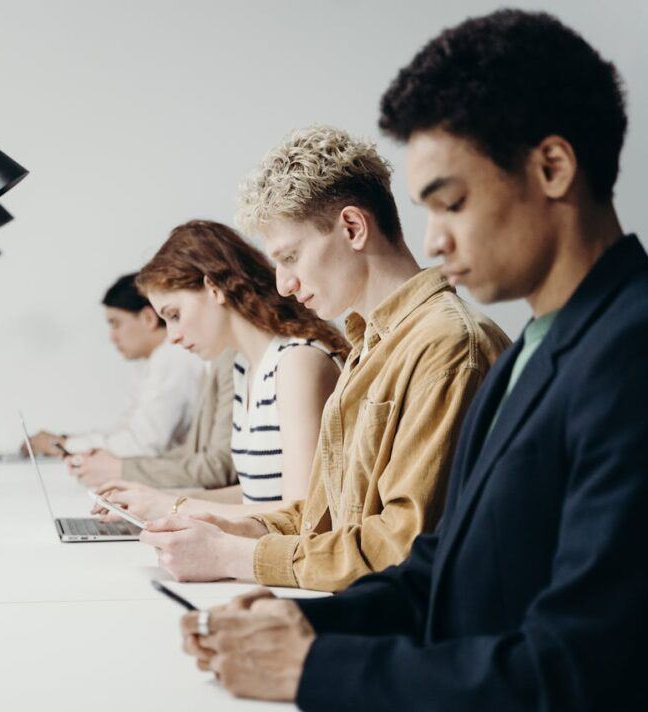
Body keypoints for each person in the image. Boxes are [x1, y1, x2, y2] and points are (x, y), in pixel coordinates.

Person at [179, 10, 647, 710]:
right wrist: (303, 624)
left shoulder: (629, 353)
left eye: (451, 204)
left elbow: (580, 668)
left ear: (552, 168)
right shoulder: (537, 347)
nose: (432, 243)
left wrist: (312, 672)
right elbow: (439, 569)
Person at [129, 125, 509, 592]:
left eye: (290, 257)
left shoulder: (447, 346)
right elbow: (327, 517)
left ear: (352, 227)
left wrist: (234, 555)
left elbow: (402, 547)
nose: (283, 284)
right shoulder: (370, 345)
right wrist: (229, 529)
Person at [94, 220, 349, 518]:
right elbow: (257, 495)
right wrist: (156, 499)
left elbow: (302, 514)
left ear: (213, 288)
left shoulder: (297, 362)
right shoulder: (245, 367)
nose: (172, 335)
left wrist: (172, 506)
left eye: (174, 314)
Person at [23, 272, 203, 458]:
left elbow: (142, 445)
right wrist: (67, 441)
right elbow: (127, 431)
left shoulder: (172, 358)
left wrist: (66, 444)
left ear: (148, 318)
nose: (112, 337)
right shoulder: (153, 361)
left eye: (116, 324)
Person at [66, 348, 237, 491]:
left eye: (175, 315)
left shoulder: (224, 359)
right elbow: (192, 452)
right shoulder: (212, 362)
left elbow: (218, 468)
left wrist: (121, 469)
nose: (172, 337)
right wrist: (120, 466)